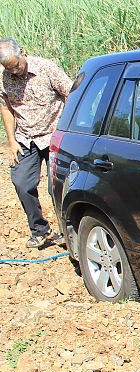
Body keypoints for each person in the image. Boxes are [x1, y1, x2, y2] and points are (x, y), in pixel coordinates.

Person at [0, 37, 72, 248]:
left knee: (57, 187)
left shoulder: (47, 69)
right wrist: (12, 141)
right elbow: (6, 108)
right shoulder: (4, 78)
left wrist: (67, 130)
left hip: (53, 135)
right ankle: (40, 230)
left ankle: (66, 231)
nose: (14, 72)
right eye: (8, 69)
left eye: (16, 66)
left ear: (23, 52)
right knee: (22, 183)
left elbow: (70, 94)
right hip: (25, 138)